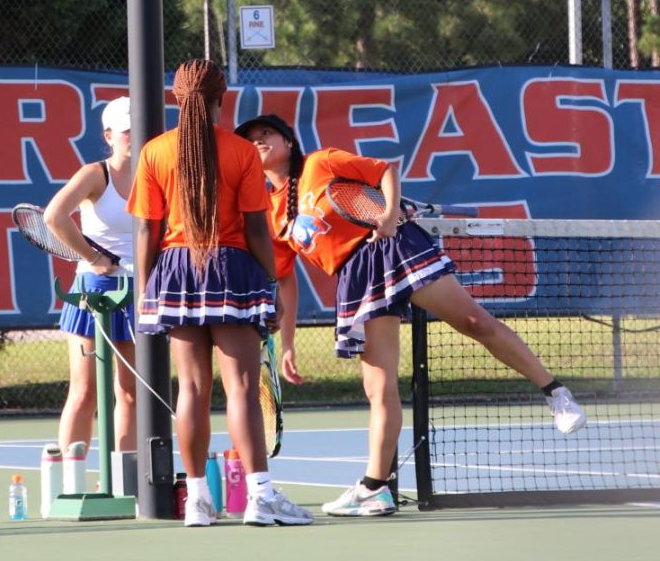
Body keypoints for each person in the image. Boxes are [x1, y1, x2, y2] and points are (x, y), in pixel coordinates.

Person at [235, 113, 587, 518]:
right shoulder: (270, 211)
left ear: (288, 142)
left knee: (473, 322)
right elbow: (285, 279)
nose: (259, 140)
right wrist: (290, 343)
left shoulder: (321, 162)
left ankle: (556, 393)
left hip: (390, 246)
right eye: (251, 137)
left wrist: (386, 218)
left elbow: (387, 170)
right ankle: (375, 488)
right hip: (355, 275)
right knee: (377, 386)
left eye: (268, 133)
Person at [127, 60, 313, 528]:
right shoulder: (241, 152)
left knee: (190, 389)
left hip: (175, 271)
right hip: (231, 269)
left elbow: (146, 232)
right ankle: (260, 497)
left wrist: (147, 290)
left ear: (176, 98)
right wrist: (271, 285)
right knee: (243, 391)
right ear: (220, 99)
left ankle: (196, 501)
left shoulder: (153, 153)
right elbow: (255, 225)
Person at [44, 95, 137, 455]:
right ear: (110, 135)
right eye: (127, 130)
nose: (135, 136)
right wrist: (93, 256)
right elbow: (54, 216)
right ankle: (71, 478)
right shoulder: (94, 174)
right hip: (95, 290)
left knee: (129, 391)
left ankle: (127, 478)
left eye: (139, 128)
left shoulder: (156, 173)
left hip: (138, 292)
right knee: (85, 391)